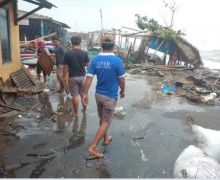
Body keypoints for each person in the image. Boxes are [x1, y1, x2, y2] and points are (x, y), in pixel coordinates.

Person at [82, 35, 126, 158]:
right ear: (113, 46)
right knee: (106, 120)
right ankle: (93, 146)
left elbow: (89, 77)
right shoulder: (117, 61)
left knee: (102, 118)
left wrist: (85, 93)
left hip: (98, 95)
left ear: (101, 46)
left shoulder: (95, 60)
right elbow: (122, 80)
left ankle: (106, 138)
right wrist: (122, 91)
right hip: (110, 96)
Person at [63, 36, 89, 118]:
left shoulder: (68, 53)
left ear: (71, 42)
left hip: (72, 77)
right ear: (80, 42)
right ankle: (84, 110)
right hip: (82, 76)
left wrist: (64, 76)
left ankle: (76, 113)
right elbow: (87, 64)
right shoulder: (84, 53)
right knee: (83, 94)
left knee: (75, 96)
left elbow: (66, 67)